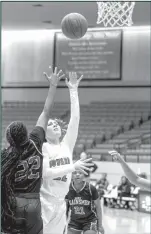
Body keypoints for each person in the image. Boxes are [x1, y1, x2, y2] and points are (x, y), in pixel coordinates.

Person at [1, 66, 65, 234]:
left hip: (12, 203)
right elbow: (46, 112)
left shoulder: (5, 156)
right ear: (26, 133)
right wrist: (53, 86)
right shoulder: (35, 142)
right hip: (34, 205)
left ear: (9, 139)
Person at [40, 72, 94, 234]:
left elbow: (75, 119)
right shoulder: (43, 147)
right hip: (43, 203)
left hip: (61, 204)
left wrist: (73, 90)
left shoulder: (66, 146)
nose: (55, 124)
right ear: (44, 131)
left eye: (56, 123)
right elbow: (46, 173)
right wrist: (72, 166)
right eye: (50, 124)